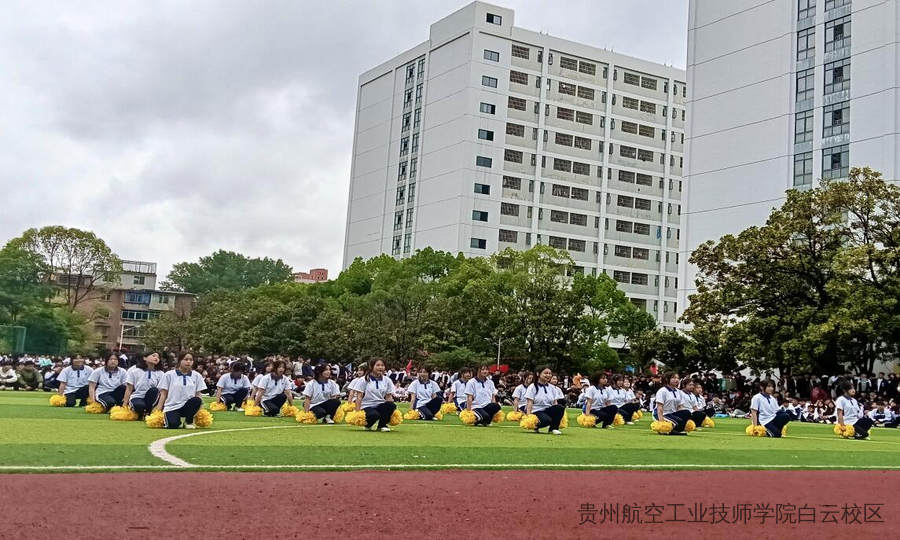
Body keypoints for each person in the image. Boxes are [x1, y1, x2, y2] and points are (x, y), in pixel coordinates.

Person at [156, 352, 206, 429]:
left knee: (197, 400)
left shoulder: (197, 376)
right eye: (186, 359)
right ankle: (175, 420)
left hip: (187, 406)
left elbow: (198, 394)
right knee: (172, 425)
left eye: (191, 360)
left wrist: (201, 411)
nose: (188, 362)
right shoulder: (169, 375)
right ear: (179, 361)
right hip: (172, 407)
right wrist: (158, 412)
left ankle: (188, 421)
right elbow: (163, 394)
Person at [349, 359, 396, 432]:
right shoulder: (363, 380)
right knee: (374, 415)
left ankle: (382, 425)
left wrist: (392, 410)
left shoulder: (387, 380)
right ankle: (368, 424)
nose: (380, 367)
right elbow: (359, 396)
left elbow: (388, 396)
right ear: (371, 367)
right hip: (366, 406)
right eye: (377, 365)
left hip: (380, 404)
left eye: (382, 365)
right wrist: (357, 412)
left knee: (391, 405)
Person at [525, 366, 565, 435]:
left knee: (560, 407)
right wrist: (529, 417)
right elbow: (529, 402)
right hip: (536, 411)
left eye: (550, 373)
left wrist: (557, 413)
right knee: (546, 420)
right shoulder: (532, 387)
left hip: (547, 409)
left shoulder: (552, 388)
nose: (548, 375)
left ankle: (553, 428)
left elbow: (555, 402)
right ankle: (535, 426)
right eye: (546, 373)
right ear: (538, 374)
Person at [122, 352, 162, 419]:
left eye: (158, 357)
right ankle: (140, 413)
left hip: (152, 398)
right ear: (145, 358)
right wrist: (124, 405)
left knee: (154, 390)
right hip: (137, 396)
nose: (156, 358)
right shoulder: (135, 371)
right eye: (153, 356)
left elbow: (162, 391)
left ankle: (149, 412)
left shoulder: (161, 373)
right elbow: (129, 389)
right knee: (138, 405)